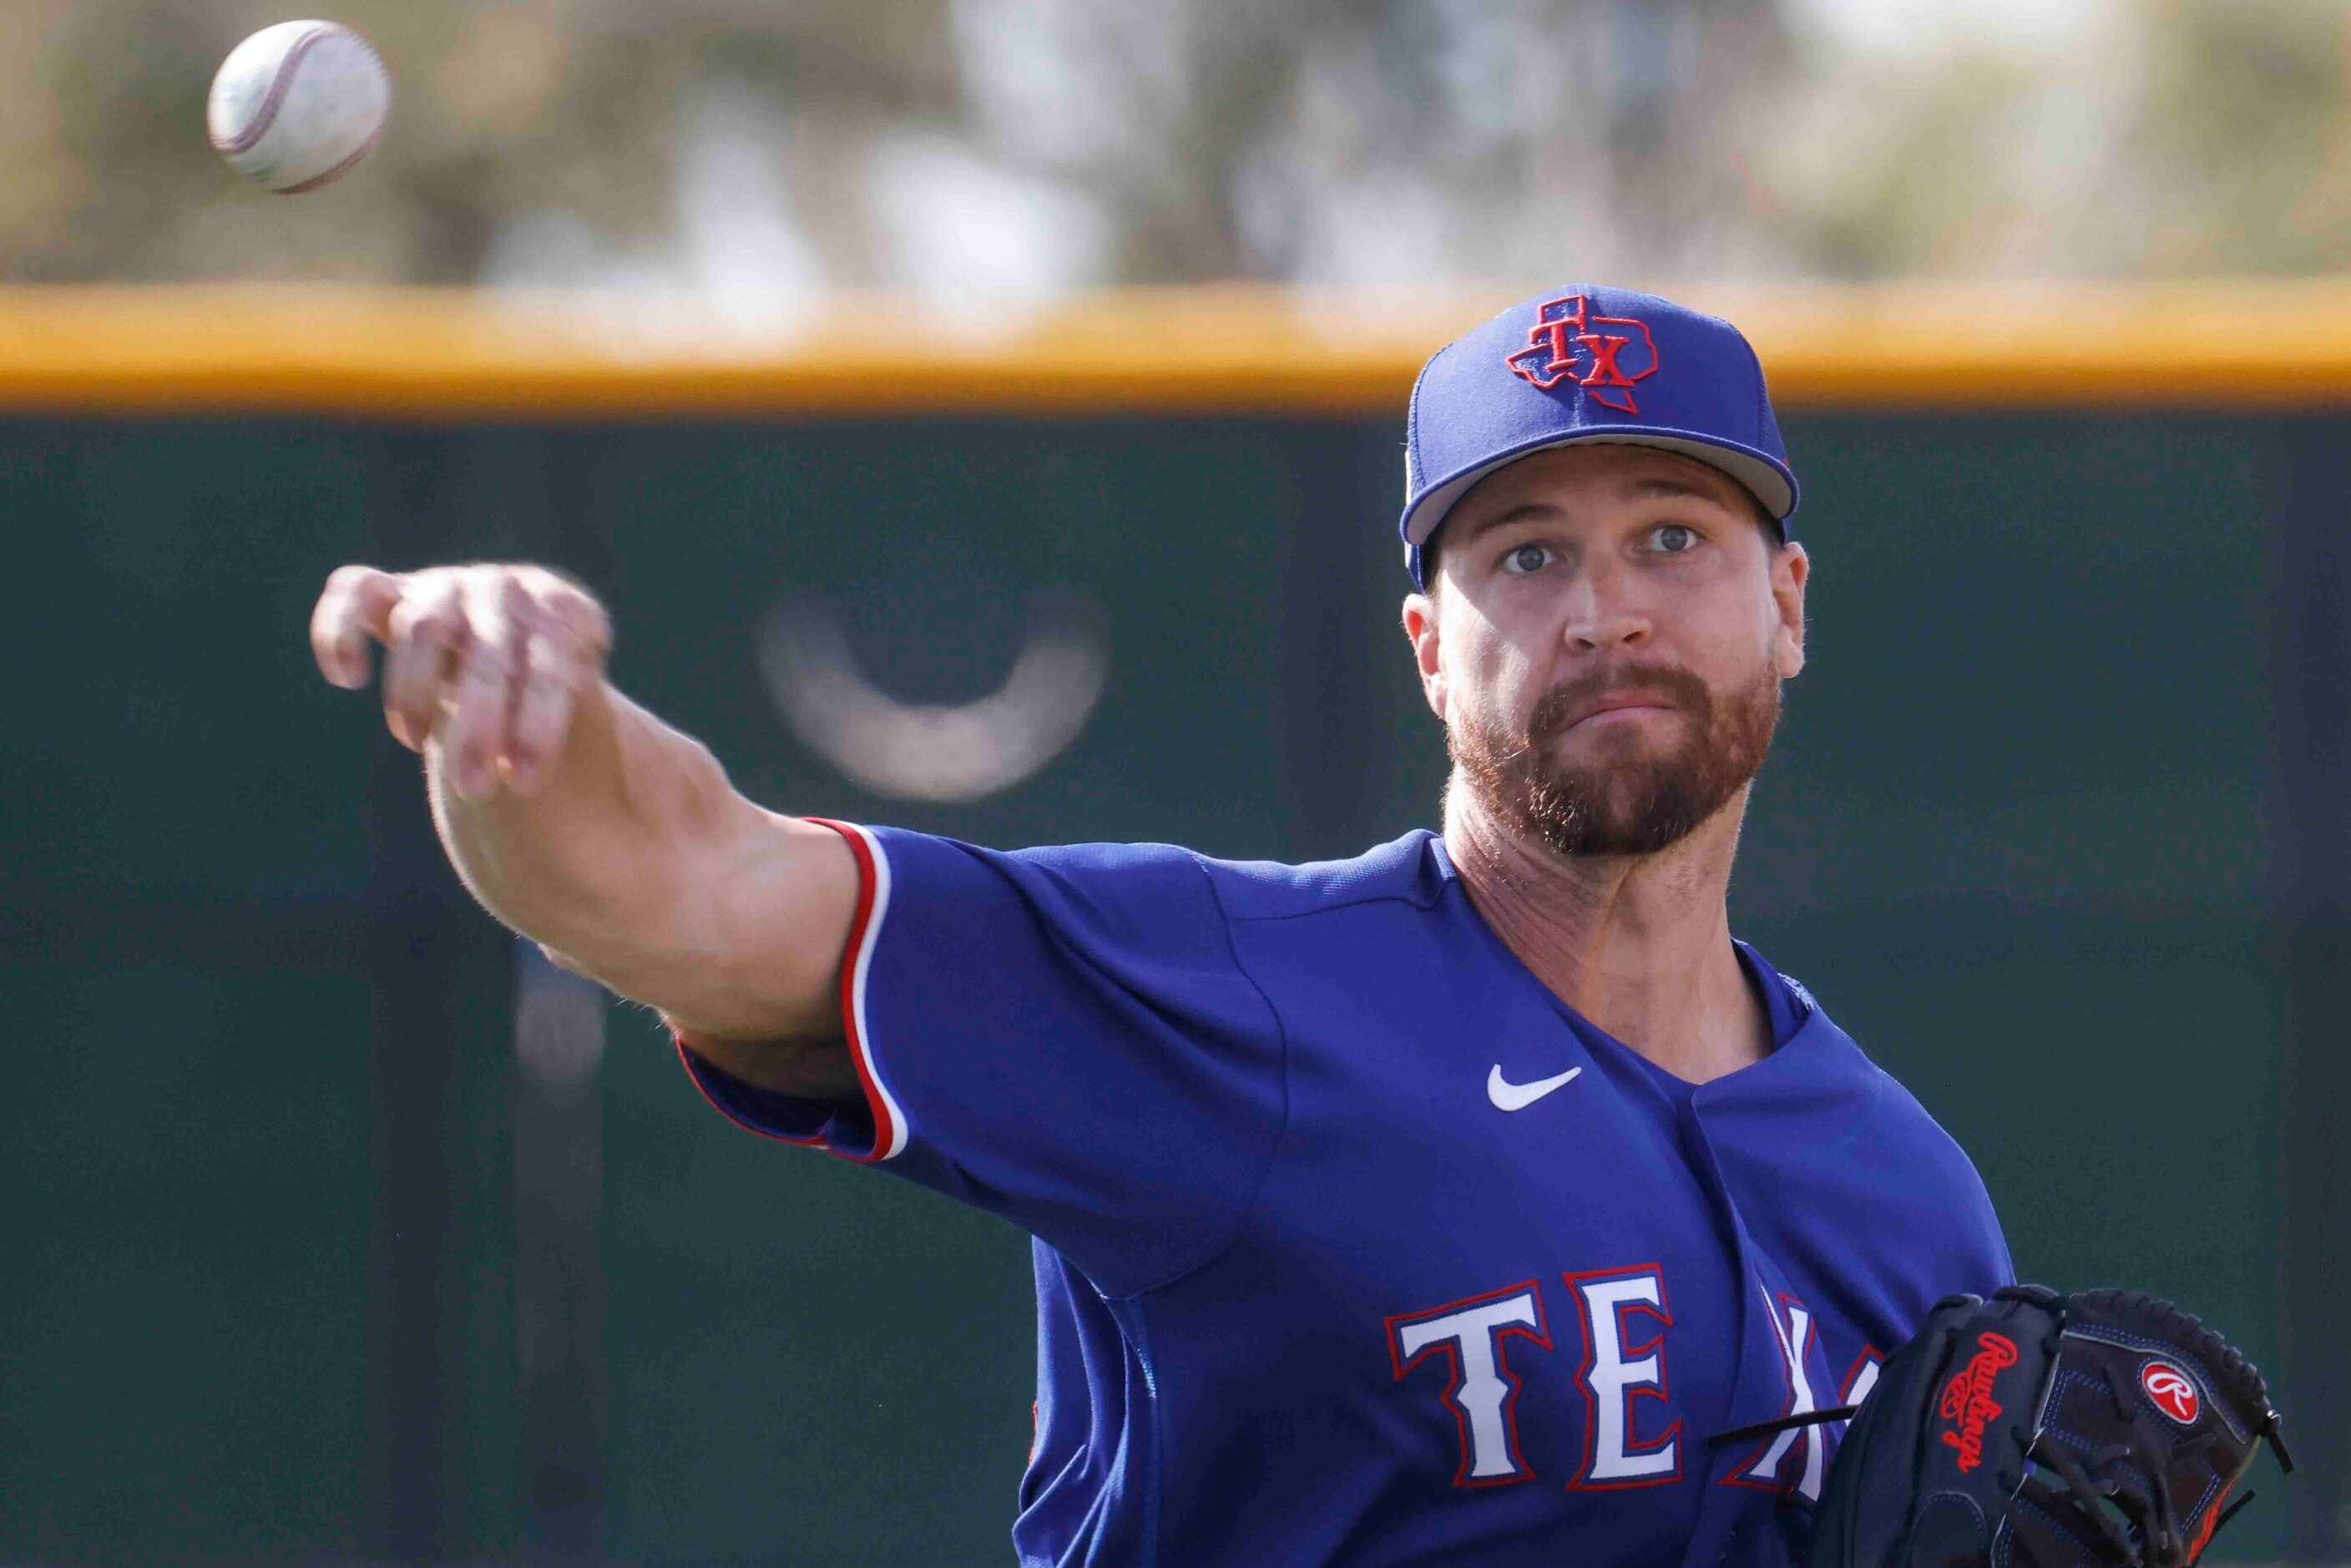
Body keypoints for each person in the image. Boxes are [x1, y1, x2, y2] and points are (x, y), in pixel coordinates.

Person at [308, 286, 2011, 1566]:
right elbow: (684, 892)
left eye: (1669, 537)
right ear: (1429, 646)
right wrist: (519, 724)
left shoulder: (1903, 1192)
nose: (1606, 611)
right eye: (1525, 557)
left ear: (1781, 608)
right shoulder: (1224, 997)